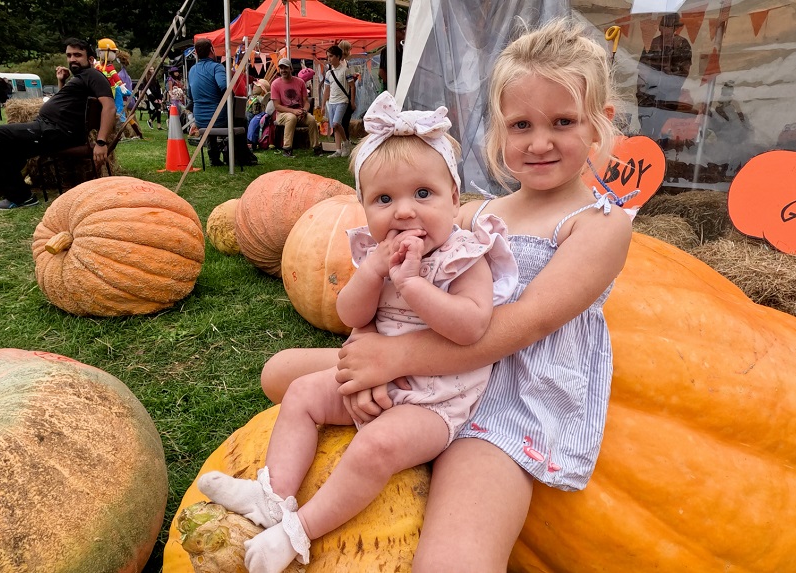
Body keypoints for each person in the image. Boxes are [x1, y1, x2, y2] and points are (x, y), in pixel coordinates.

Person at [258, 17, 633, 571]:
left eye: (563, 121)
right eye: (521, 124)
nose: (540, 141)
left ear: (601, 123)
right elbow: (392, 292)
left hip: (512, 392)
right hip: (433, 364)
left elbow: (519, 328)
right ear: (499, 130)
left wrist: (391, 359)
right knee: (279, 371)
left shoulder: (599, 225)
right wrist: (367, 356)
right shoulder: (471, 211)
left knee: (453, 561)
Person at [198, 92, 517, 573]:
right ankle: (275, 494)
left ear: (455, 199)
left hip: (436, 402)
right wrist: (371, 274)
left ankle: (301, 530)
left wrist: (412, 286)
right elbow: (351, 315)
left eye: (423, 194)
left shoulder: (464, 256)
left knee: (376, 447)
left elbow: (472, 327)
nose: (404, 212)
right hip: (376, 372)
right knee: (303, 393)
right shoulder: (376, 254)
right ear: (364, 207)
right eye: (384, 199)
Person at [0, 38, 114, 210]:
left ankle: (20, 196)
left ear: (90, 59)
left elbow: (109, 107)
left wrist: (101, 142)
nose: (72, 59)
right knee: (10, 154)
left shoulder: (93, 75)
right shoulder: (81, 78)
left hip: (54, 131)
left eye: (77, 55)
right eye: (69, 55)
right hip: (49, 128)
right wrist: (61, 81)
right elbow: (69, 104)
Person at [187, 38, 256, 167]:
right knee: (242, 119)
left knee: (213, 120)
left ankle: (213, 157)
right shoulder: (216, 67)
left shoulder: (192, 70)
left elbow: (190, 95)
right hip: (219, 118)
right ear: (212, 50)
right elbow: (225, 87)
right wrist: (234, 100)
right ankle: (241, 157)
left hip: (200, 119)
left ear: (196, 52)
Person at [636, 13, 693, 139]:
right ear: (660, 28)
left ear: (675, 28)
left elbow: (683, 73)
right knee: (646, 126)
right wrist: (642, 93)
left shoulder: (682, 45)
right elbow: (642, 71)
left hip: (669, 96)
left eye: (670, 26)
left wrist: (667, 86)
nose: (666, 29)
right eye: (664, 26)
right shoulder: (651, 43)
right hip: (649, 95)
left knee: (662, 126)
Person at [271, 57, 322, 157]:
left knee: (312, 120)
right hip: (282, 114)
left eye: (285, 68)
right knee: (291, 117)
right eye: (281, 68)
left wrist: (305, 111)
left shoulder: (300, 82)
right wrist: (293, 111)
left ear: (291, 69)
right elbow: (277, 106)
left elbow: (306, 102)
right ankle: (287, 149)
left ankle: (316, 147)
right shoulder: (275, 84)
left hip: (299, 113)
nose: (283, 70)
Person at [321, 45, 355, 158]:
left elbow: (352, 86)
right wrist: (322, 105)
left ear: (338, 57)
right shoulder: (328, 73)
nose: (329, 59)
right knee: (334, 126)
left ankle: (345, 143)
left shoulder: (345, 70)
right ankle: (338, 150)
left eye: (331, 56)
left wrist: (352, 102)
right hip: (332, 101)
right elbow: (326, 89)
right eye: (328, 57)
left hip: (342, 101)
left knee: (336, 123)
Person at [378, 22, 406, 92]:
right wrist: (392, 86)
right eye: (401, 30)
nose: (404, 32)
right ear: (395, 32)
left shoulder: (402, 49)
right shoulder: (387, 50)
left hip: (401, 87)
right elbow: (381, 72)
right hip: (391, 89)